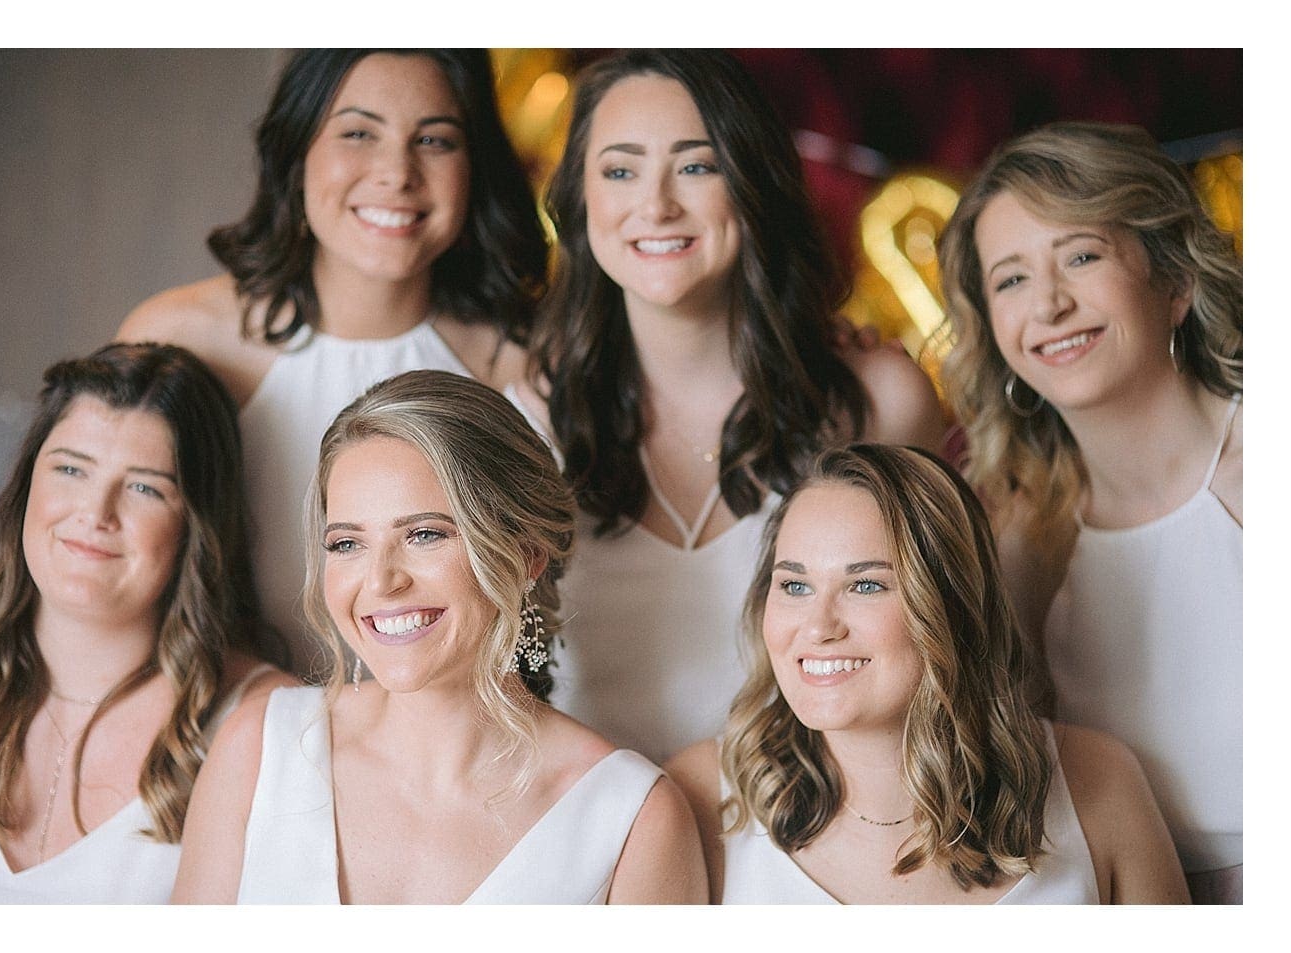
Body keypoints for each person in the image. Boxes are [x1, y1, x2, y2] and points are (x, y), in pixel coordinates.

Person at [531, 49, 947, 763]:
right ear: (579, 199)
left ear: (752, 182)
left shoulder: (879, 400)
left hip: (810, 847)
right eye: (620, 170)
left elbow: (945, 657)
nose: (656, 204)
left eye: (697, 166)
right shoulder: (526, 417)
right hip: (599, 842)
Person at [173, 370, 706, 904]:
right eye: (347, 544)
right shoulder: (260, 747)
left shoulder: (632, 818)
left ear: (525, 556)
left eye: (424, 535)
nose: (381, 581)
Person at [117, 49, 549, 676]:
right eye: (358, 132)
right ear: (297, 155)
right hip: (225, 723)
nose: (396, 173)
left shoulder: (522, 360)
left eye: (434, 139)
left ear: (475, 166)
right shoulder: (182, 338)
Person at [664, 444, 1187, 904]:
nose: (818, 627)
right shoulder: (698, 798)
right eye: (795, 586)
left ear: (951, 604)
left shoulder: (1099, 784)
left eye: (866, 585)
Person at [938, 121, 1243, 903]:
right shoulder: (1020, 537)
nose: (1049, 302)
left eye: (1082, 255)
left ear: (1174, 284)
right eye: (1009, 279)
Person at [0, 343, 293, 903]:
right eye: (70, 469)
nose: (96, 513)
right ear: (26, 487)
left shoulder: (262, 726)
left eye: (145, 487)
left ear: (196, 525)